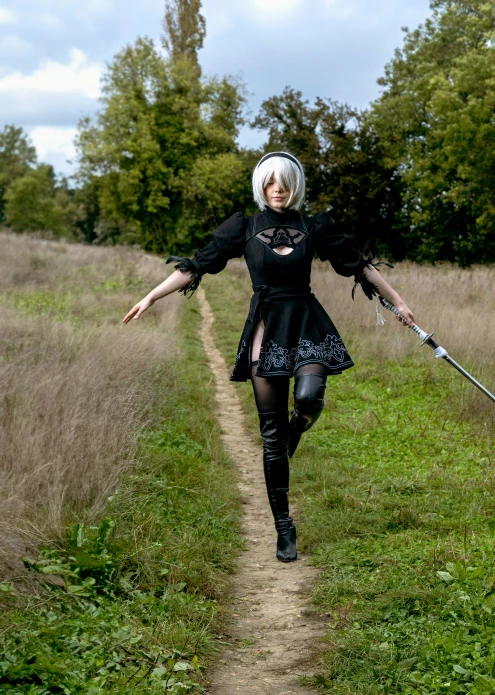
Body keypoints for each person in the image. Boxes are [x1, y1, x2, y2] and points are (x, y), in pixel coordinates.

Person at [123, 151, 414, 563]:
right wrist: (150, 296)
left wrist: (399, 302)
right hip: (265, 326)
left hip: (307, 322)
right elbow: (197, 265)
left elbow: (358, 267)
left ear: (295, 186)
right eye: (270, 182)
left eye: (284, 182)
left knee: (311, 399)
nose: (277, 189)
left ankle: (300, 428)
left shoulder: (314, 227)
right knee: (272, 437)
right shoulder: (244, 227)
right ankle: (283, 527)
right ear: (261, 186)